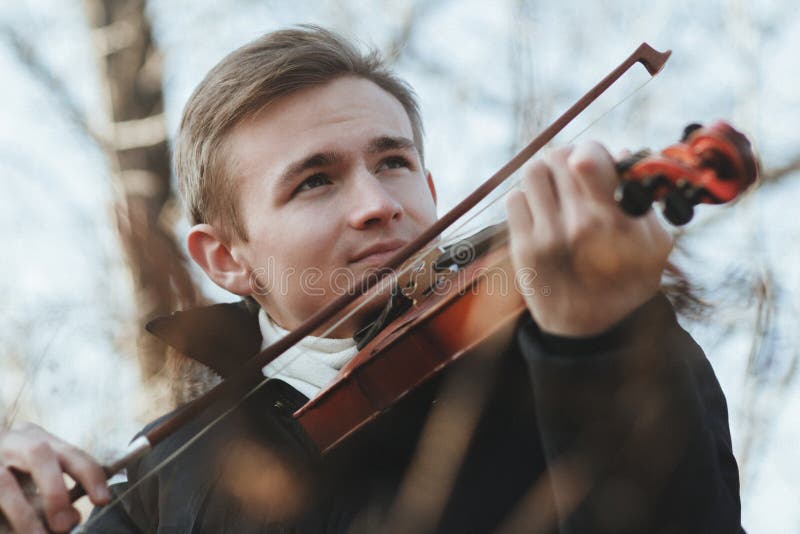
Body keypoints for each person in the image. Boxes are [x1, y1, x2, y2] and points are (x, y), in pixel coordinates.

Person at [0, 26, 742, 533]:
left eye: (393, 162)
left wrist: (601, 350)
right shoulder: (166, 478)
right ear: (226, 258)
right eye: (315, 182)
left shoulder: (581, 330)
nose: (379, 205)